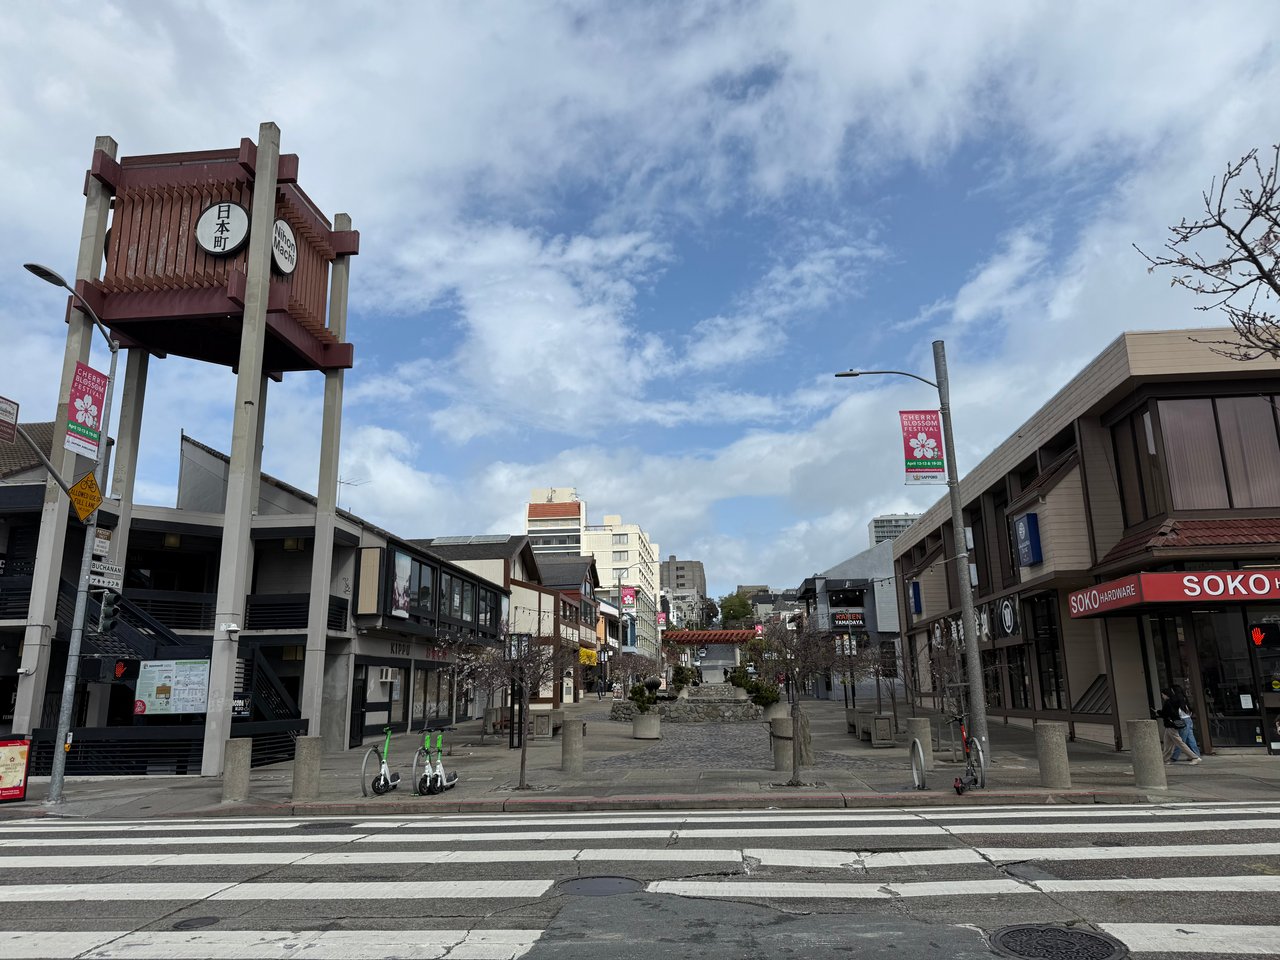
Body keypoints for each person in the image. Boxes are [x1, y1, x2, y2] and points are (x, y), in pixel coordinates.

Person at [1158, 687, 1201, 764]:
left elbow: (1167, 713)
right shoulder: (1178, 700)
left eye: (1162, 695)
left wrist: (1159, 712)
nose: (1162, 696)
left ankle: (1194, 757)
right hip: (1177, 722)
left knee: (1180, 742)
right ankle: (1165, 759)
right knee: (1168, 743)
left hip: (1172, 724)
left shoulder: (1169, 702)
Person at [1170, 684, 1201, 761]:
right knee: (1190, 738)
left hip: (1182, 719)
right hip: (1188, 719)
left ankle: (1174, 756)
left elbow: (1177, 712)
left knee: (1180, 740)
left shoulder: (1176, 700)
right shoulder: (1184, 698)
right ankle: (1196, 754)